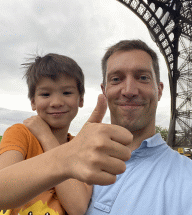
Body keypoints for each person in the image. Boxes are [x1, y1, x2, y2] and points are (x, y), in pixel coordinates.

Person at [84, 40, 192, 215]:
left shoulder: (188, 180)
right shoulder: (71, 164)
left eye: (142, 77)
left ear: (159, 89)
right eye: (116, 79)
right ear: (104, 91)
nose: (129, 90)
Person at [0, 53, 93, 215]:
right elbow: (3, 191)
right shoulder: (20, 134)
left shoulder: (83, 147)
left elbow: (77, 207)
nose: (56, 102)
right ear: (33, 102)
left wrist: (46, 137)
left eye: (67, 93)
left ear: (81, 99)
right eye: (45, 94)